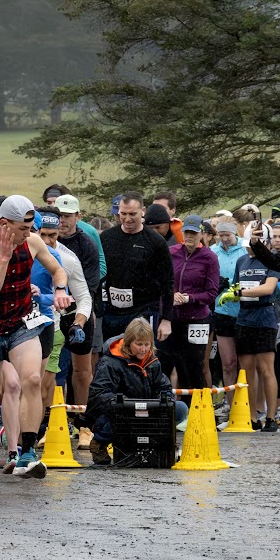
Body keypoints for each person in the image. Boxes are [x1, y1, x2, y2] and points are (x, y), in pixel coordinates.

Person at [0, 194, 71, 478]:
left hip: (22, 323)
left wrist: (60, 289)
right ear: (4, 223)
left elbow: (58, 269)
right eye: (23, 228)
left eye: (30, 228)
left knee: (32, 380)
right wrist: (4, 257)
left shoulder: (33, 241)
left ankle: (26, 453)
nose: (29, 233)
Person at [86, 318, 186, 465]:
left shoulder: (153, 362)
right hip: (121, 411)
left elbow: (164, 387)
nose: (144, 349)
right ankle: (99, 443)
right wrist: (124, 404)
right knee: (112, 415)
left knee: (179, 409)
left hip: (147, 410)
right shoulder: (109, 362)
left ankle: (156, 442)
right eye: (139, 344)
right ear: (128, 343)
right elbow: (98, 394)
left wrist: (162, 401)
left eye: (147, 344)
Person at [52, 194, 102, 448]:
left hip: (77, 309)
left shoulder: (86, 245)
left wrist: (78, 313)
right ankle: (49, 422)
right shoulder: (42, 239)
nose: (62, 221)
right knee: (49, 370)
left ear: (78, 217)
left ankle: (85, 423)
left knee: (82, 370)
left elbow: (90, 285)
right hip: (48, 309)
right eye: (58, 215)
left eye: (67, 216)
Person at [226, 232, 280, 431]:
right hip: (244, 318)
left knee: (266, 369)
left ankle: (270, 416)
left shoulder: (271, 261)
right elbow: (235, 286)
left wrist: (241, 293)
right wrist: (230, 294)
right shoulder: (241, 261)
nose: (249, 248)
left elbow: (268, 289)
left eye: (253, 244)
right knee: (247, 370)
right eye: (247, 244)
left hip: (265, 317)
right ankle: (251, 416)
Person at [99, 192, 174, 342]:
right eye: (123, 213)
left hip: (144, 311)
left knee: (140, 359)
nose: (127, 219)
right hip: (112, 312)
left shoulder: (156, 241)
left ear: (143, 211)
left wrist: (166, 319)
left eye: (132, 214)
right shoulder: (106, 237)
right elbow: (99, 274)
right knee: (113, 359)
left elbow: (168, 282)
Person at [163, 215, 220, 400]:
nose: (189, 236)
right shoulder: (172, 253)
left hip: (198, 320)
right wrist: (171, 295)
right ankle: (176, 412)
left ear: (202, 234)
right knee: (172, 363)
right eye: (187, 232)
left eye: (194, 233)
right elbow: (162, 282)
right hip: (173, 318)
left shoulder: (209, 258)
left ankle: (201, 411)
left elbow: (212, 293)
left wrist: (189, 298)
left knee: (195, 366)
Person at [210, 219, 248, 416]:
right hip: (222, 311)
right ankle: (230, 404)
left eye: (228, 235)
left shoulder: (244, 250)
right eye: (222, 235)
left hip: (244, 311)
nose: (225, 239)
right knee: (228, 362)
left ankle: (246, 407)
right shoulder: (214, 252)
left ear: (236, 235)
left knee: (245, 362)